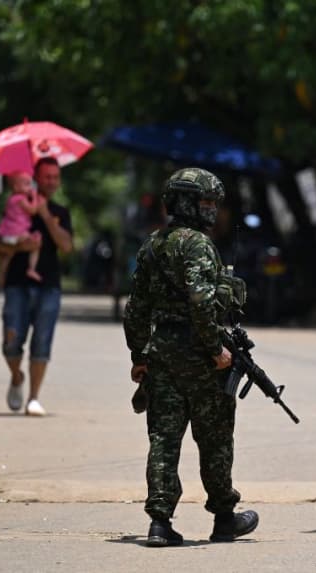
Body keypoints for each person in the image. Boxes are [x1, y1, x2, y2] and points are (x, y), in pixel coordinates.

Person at [123, 167, 257, 547]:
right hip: (200, 357)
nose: (212, 209)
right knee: (214, 438)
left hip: (162, 355)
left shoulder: (152, 245)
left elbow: (136, 308)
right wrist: (216, 348)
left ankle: (160, 523)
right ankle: (224, 518)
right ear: (188, 203)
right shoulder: (196, 244)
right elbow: (201, 302)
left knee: (164, 439)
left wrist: (139, 354)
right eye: (206, 202)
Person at [0, 157, 73, 417]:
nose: (51, 181)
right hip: (17, 284)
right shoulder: (15, 205)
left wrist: (44, 214)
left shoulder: (60, 212)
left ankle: (34, 397)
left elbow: (66, 246)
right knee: (11, 341)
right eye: (46, 176)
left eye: (55, 177)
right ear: (35, 178)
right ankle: (17, 376)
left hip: (49, 286)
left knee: (42, 342)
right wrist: (20, 247)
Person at [0, 170, 44, 286]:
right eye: (27, 184)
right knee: (37, 243)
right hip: (17, 232)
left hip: (7, 234)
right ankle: (31, 268)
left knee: (9, 254)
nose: (30, 187)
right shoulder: (21, 199)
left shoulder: (11, 199)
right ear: (16, 187)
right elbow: (33, 210)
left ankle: (2, 274)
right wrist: (35, 197)